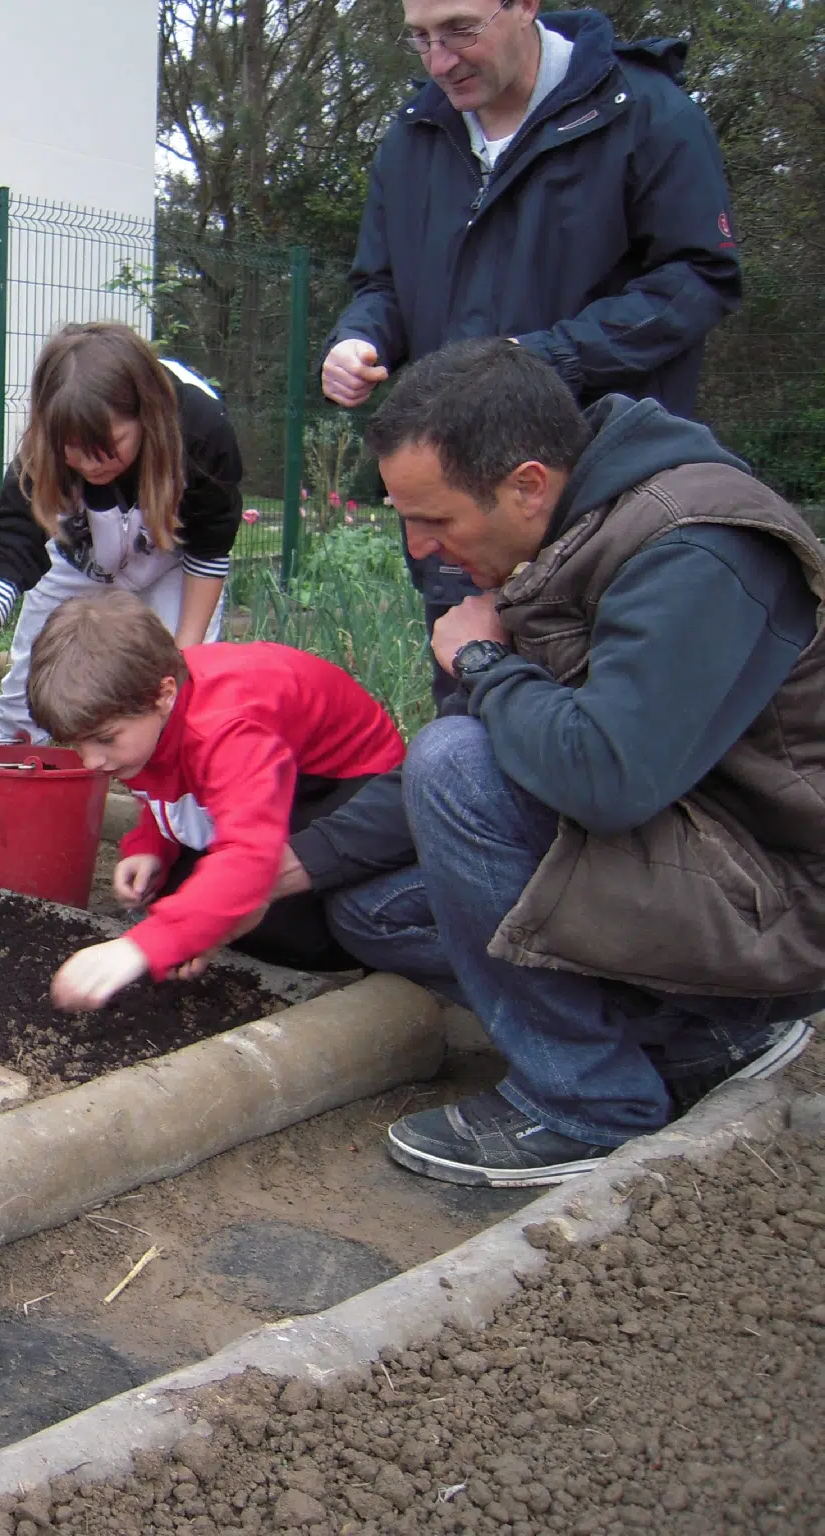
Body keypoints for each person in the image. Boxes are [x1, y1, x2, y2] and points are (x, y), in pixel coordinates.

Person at [299, 338, 820, 1187]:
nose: (422, 547)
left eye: (435, 519)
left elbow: (604, 778)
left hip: (779, 900)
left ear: (528, 484)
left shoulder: (697, 548)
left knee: (455, 760)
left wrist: (482, 664)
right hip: (689, 860)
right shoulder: (579, 537)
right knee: (373, 911)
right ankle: (701, 1040)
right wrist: (292, 864)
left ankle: (587, 1103)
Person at [321, 0, 742, 699]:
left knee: (599, 722)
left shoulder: (646, 112)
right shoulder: (412, 135)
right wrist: (359, 335)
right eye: (420, 39)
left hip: (597, 496)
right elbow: (381, 281)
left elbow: (698, 278)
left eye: (460, 30)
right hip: (458, 501)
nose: (439, 61)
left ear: (524, 7)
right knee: (467, 714)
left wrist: (550, 357)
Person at [24, 588, 405, 1011]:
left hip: (351, 795)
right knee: (182, 895)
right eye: (77, 744)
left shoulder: (227, 727)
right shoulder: (146, 721)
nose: (91, 761)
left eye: (104, 740)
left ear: (164, 694)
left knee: (276, 926)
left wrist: (141, 948)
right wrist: (152, 846)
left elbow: (249, 853)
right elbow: (167, 781)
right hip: (276, 786)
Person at [0, 322, 244, 759]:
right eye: (73, 449)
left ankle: (177, 821)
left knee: (177, 705)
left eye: (110, 446)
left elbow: (209, 550)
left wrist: (186, 655)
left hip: (173, 561)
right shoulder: (39, 454)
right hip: (76, 557)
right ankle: (0, 809)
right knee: (28, 693)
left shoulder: (200, 429)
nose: (90, 464)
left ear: (145, 415)